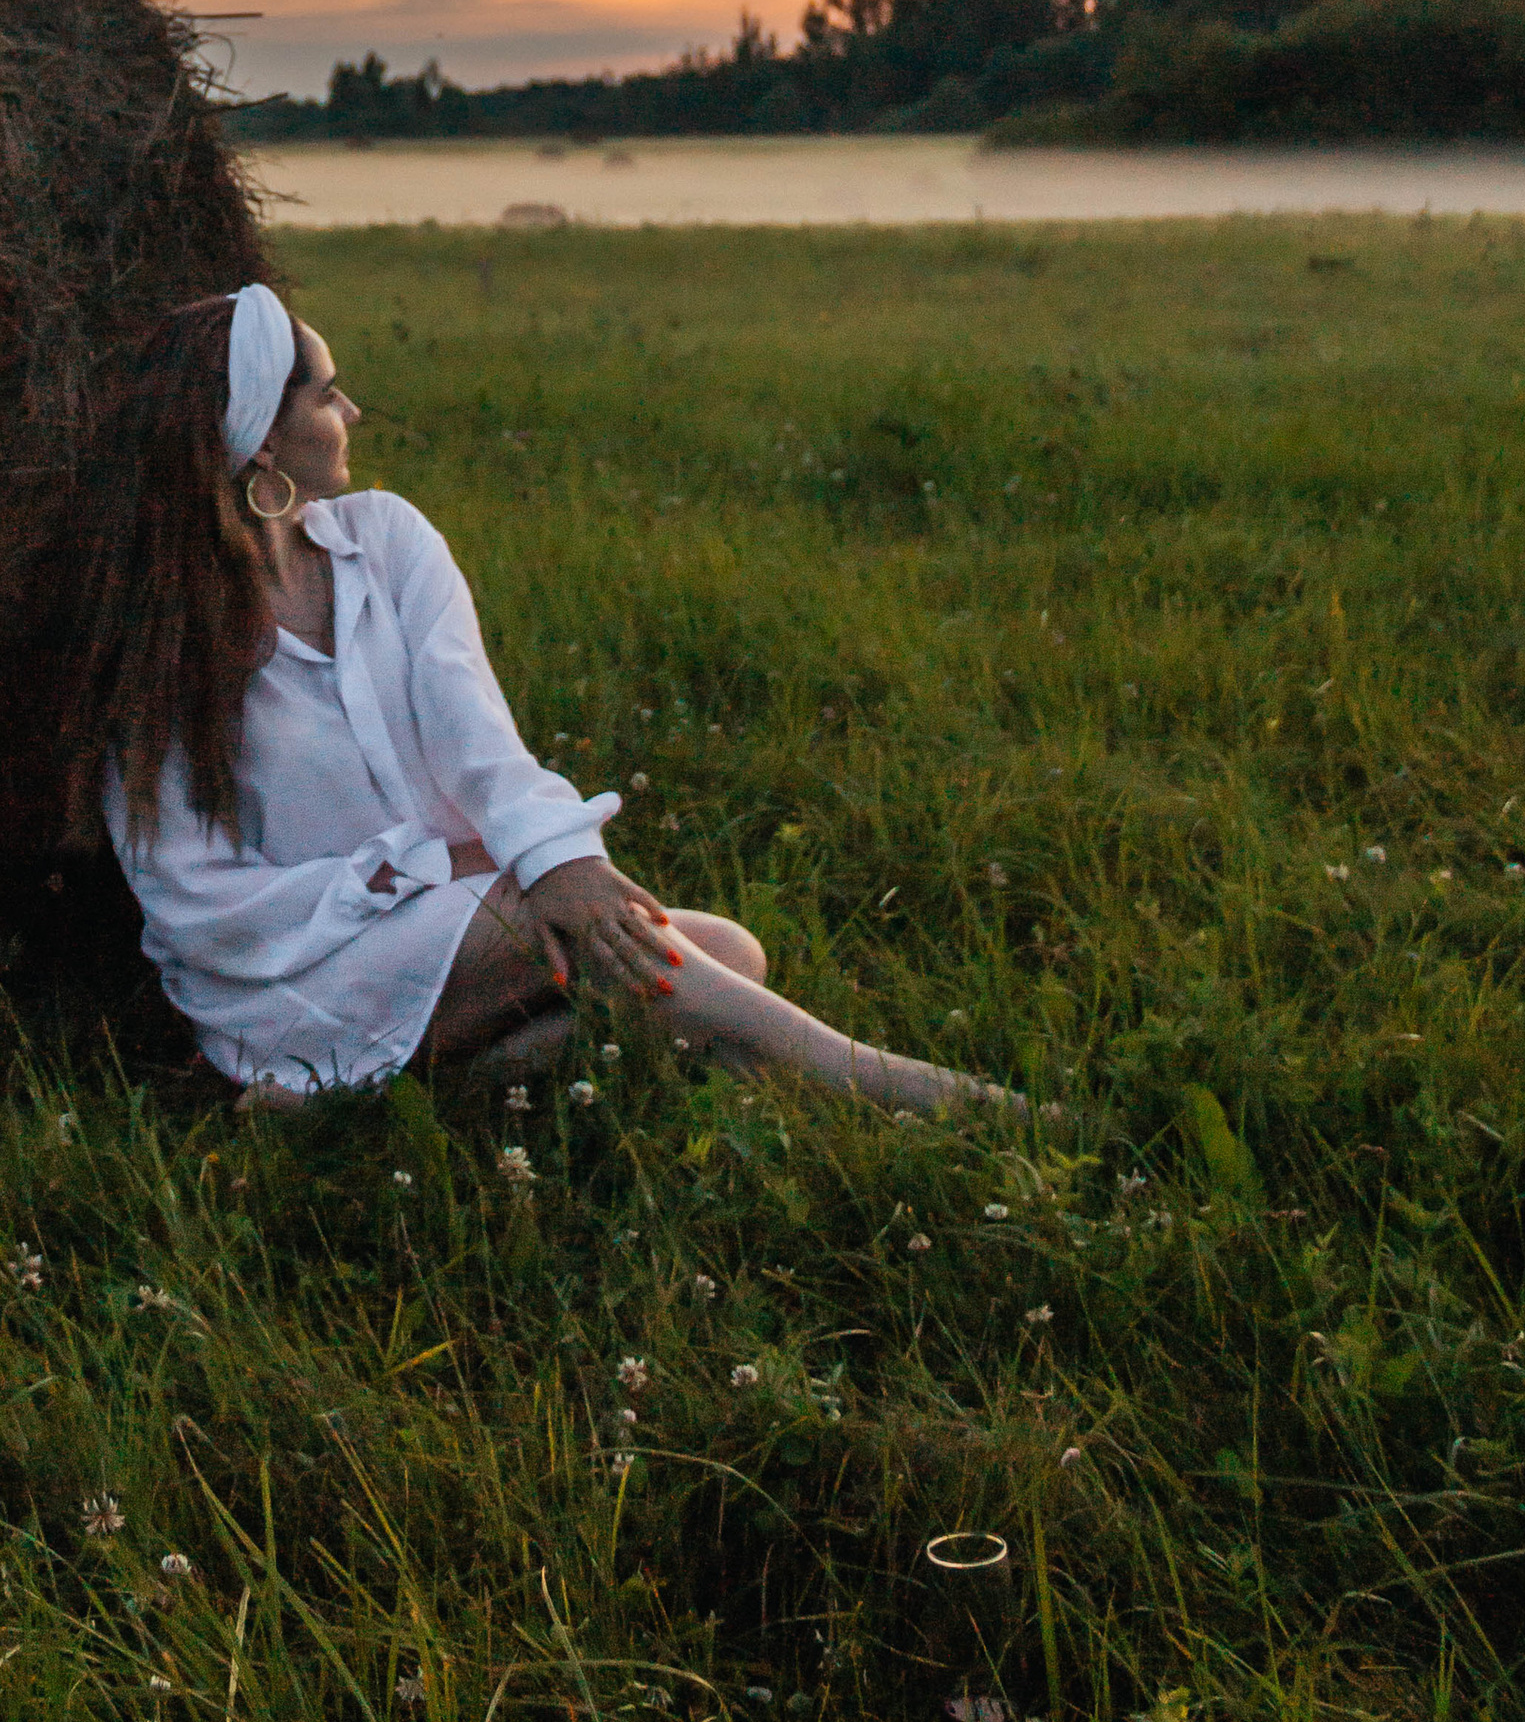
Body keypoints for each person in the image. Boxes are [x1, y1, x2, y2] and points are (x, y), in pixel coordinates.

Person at [73, 285, 1002, 1113]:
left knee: (726, 952)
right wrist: (423, 873)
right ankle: (906, 1088)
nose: (351, 411)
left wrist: (560, 861)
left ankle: (355, 1102)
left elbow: (480, 741)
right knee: (605, 946)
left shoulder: (388, 541)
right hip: (291, 975)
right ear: (262, 439)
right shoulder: (166, 637)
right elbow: (190, 898)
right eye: (326, 394)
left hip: (464, 921)